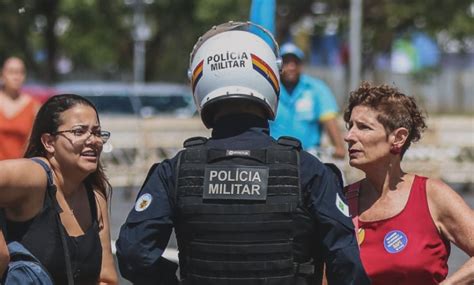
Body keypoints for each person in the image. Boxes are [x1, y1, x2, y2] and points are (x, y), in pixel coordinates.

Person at [116, 21, 369, 285]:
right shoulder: (310, 170)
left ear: (199, 81)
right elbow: (346, 264)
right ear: (271, 78)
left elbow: (134, 253)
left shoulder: (174, 171)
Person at [343, 81, 474, 284]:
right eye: (350, 126)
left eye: (363, 127)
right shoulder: (341, 201)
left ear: (398, 138)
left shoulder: (431, 195)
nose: (349, 136)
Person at [0, 94, 118, 284]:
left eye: (97, 132)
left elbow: (106, 278)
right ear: (48, 142)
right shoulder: (35, 176)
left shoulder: (95, 198)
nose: (93, 140)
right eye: (79, 131)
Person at [269, 43, 346, 160]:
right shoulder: (270, 88)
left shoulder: (316, 88)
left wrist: (338, 147)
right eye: (286, 62)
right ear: (279, 65)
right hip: (274, 157)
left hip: (307, 158)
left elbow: (329, 119)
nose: (291, 67)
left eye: (295, 62)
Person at [0, 56, 40, 160]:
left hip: (20, 169)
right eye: (11, 72)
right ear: (2, 74)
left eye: (20, 72)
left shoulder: (34, 107)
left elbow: (33, 144)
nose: (16, 76)